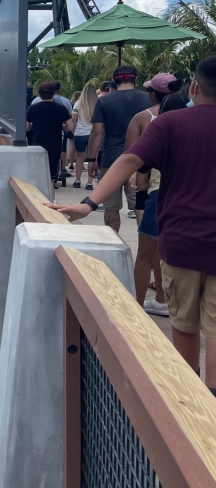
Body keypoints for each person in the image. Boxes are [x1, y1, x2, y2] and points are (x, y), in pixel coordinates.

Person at [50, 55, 216, 397]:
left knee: (184, 323)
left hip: (181, 241)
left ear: (195, 88)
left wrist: (88, 203)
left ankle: (188, 395)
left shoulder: (171, 125)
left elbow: (128, 160)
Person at [124, 73, 181, 315]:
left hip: (157, 193)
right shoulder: (193, 120)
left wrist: (138, 179)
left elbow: (134, 157)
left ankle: (135, 308)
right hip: (183, 196)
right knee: (165, 251)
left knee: (146, 253)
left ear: (153, 94)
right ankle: (161, 298)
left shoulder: (148, 120)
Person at [86, 66, 152, 231]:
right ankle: (145, 243)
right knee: (140, 204)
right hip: (139, 160)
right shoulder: (148, 99)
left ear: (114, 81)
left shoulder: (104, 101)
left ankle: (114, 242)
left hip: (111, 158)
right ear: (135, 79)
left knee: (111, 206)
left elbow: (96, 132)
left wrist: (92, 158)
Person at [26, 83, 74, 190]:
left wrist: (36, 125)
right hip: (55, 146)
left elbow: (26, 128)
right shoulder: (61, 108)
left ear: (39, 94)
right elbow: (70, 127)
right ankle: (51, 200)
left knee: (37, 177)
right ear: (54, 93)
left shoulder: (32, 109)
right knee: (51, 178)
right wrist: (60, 126)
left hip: (38, 145)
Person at [70, 84, 97, 189]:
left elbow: (74, 120)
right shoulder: (97, 103)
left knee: (80, 157)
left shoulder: (78, 103)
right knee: (93, 158)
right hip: (93, 133)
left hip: (80, 133)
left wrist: (73, 130)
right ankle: (90, 182)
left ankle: (77, 180)